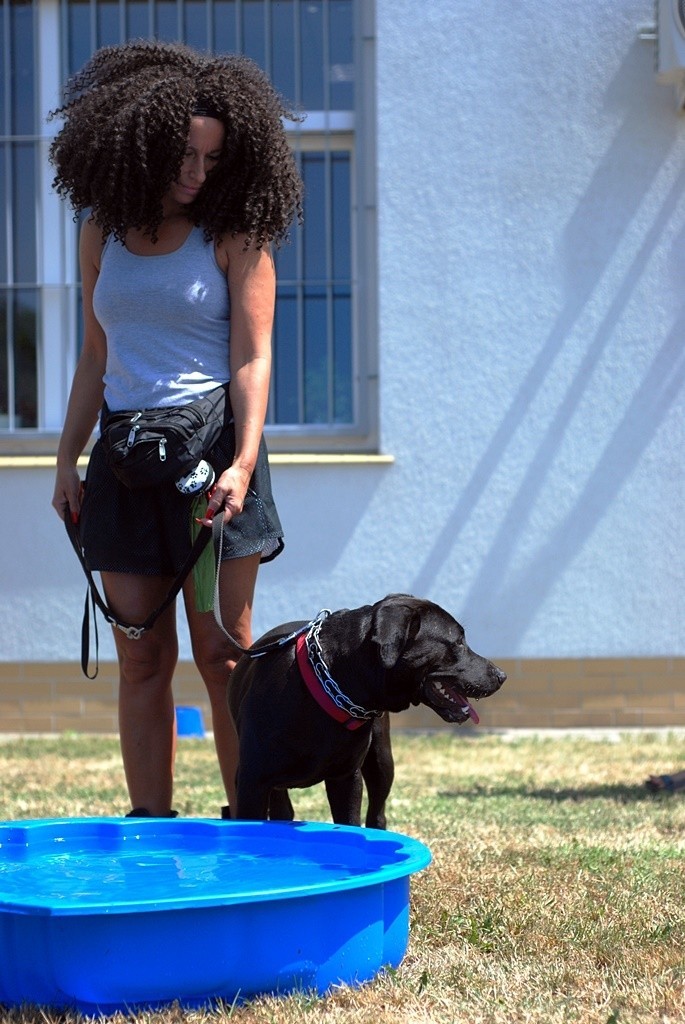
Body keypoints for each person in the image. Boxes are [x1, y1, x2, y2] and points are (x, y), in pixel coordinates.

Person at [49, 40, 302, 818]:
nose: (197, 175)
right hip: (125, 461)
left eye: (212, 159)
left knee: (223, 655)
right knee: (139, 658)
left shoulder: (232, 235)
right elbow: (97, 356)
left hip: (211, 461)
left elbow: (253, 360)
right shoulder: (100, 232)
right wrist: (66, 462)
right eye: (183, 157)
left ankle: (250, 818)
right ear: (140, 147)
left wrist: (243, 464)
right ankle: (151, 825)